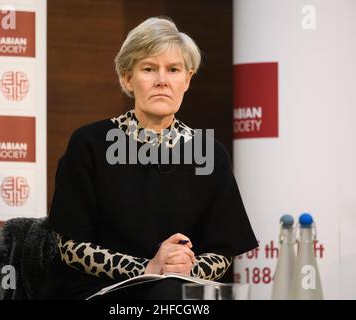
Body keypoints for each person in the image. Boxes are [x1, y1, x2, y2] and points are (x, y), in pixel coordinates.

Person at [40, 16, 258, 300]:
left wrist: (186, 268)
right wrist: (147, 268)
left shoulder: (210, 153)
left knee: (180, 295)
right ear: (127, 78)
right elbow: (71, 247)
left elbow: (222, 251)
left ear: (187, 79)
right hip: (99, 289)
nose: (162, 81)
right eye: (149, 69)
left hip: (179, 288)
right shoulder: (90, 143)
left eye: (174, 69)